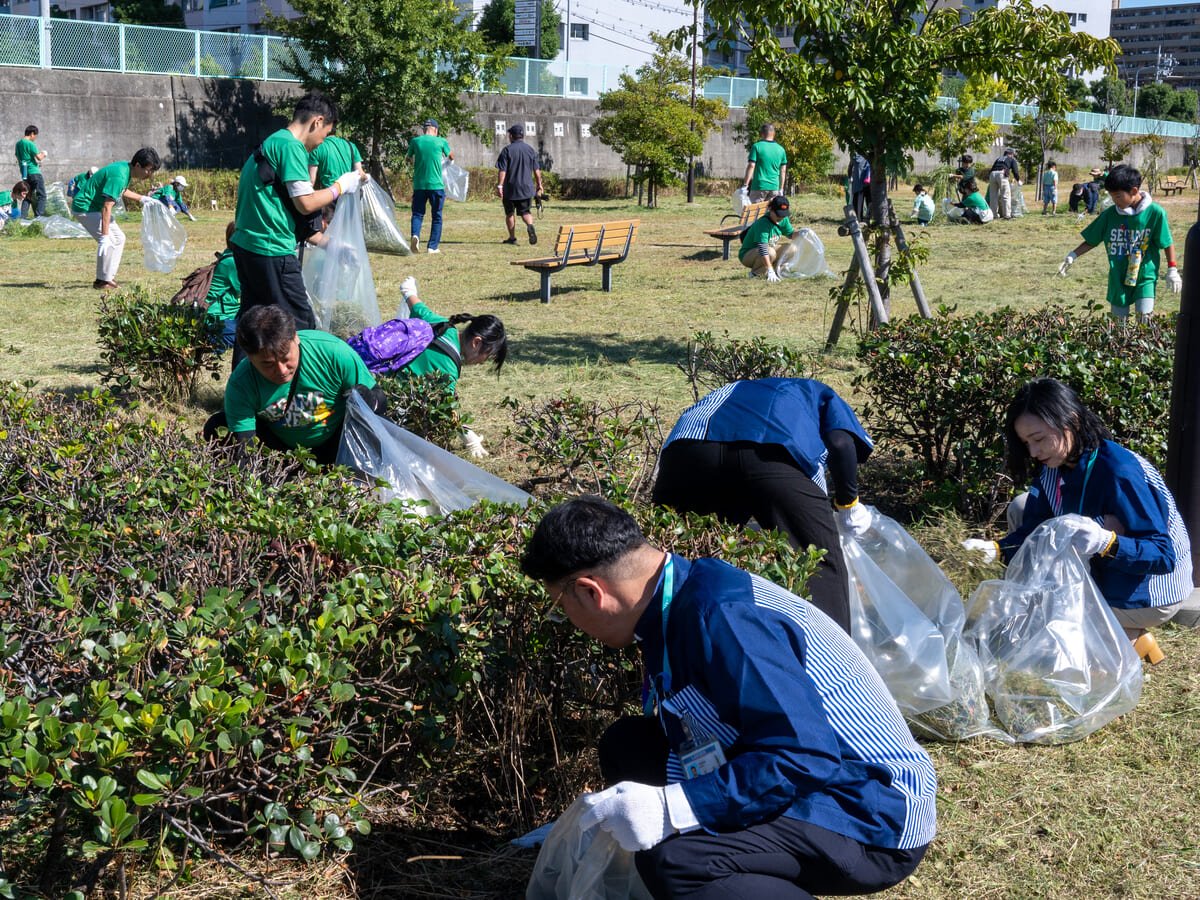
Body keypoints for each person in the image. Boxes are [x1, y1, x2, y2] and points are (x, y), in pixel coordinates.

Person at [520, 496, 936, 899]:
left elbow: (805, 757)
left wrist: (673, 808)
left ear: (591, 592)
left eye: (561, 606)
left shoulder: (724, 616)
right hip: (816, 778)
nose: (568, 621)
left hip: (867, 811)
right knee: (627, 747)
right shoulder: (675, 597)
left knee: (678, 861)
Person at [962, 378, 1192, 658]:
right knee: (1022, 508)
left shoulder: (1119, 472)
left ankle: (1123, 637)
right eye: (1026, 443)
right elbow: (1034, 528)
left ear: (1071, 421)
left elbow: (1162, 555)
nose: (1034, 452)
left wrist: (1107, 542)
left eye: (1038, 439)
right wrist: (996, 549)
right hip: (1107, 572)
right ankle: (1111, 631)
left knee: (1045, 613)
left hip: (1149, 593)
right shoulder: (1056, 464)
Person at [651, 377, 875, 633]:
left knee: (676, 557)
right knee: (816, 564)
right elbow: (840, 443)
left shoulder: (732, 390)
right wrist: (849, 505)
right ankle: (834, 660)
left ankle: (661, 651)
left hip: (688, 450)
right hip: (772, 448)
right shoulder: (820, 394)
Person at [230, 92, 362, 343]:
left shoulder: (273, 142)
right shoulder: (291, 147)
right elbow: (306, 203)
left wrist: (332, 245)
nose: (321, 143)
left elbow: (282, 207)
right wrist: (340, 186)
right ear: (317, 122)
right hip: (272, 251)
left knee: (253, 325)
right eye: (325, 135)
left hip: (248, 247)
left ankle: (243, 381)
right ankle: (302, 381)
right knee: (299, 324)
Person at [203, 304, 386, 466]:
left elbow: (380, 400)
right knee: (218, 426)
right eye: (267, 364)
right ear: (249, 357)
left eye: (285, 358)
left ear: (295, 338)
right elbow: (245, 446)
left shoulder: (333, 353)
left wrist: (369, 399)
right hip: (283, 452)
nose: (281, 370)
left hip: (337, 444)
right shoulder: (241, 384)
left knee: (384, 429)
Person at [347, 275, 507, 457]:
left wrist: (409, 290)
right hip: (378, 397)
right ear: (476, 343)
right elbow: (447, 409)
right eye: (488, 355)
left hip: (360, 363)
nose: (482, 362)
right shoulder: (447, 367)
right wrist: (469, 439)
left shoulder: (443, 325)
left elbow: (417, 307)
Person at [1056, 164, 1180, 322]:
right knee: (1118, 326)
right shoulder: (1109, 215)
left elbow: (1167, 242)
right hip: (1118, 277)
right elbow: (1092, 239)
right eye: (1112, 196)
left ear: (1134, 191)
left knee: (1145, 320)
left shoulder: (1155, 213)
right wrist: (1072, 255)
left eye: (1118, 196)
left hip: (1145, 276)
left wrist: (1172, 269)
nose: (1115, 201)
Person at [70, 147, 160, 290]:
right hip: (85, 208)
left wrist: (142, 198)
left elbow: (121, 190)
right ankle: (102, 280)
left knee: (119, 238)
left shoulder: (126, 168)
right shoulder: (120, 175)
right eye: (149, 170)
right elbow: (107, 207)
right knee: (109, 241)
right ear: (138, 165)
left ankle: (107, 277)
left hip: (94, 207)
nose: (149, 175)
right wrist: (104, 236)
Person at [406, 118, 452, 254]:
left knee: (417, 214)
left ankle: (415, 235)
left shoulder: (415, 141)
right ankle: (432, 247)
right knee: (437, 216)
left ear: (424, 129)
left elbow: (408, 158)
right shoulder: (441, 141)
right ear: (436, 130)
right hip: (436, 185)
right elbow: (451, 156)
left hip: (419, 185)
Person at [496, 123, 544, 246]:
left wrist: (500, 185)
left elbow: (503, 170)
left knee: (510, 213)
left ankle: (512, 238)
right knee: (525, 212)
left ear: (511, 136)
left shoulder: (507, 150)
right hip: (527, 188)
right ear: (522, 136)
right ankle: (530, 225)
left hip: (511, 188)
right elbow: (537, 171)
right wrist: (539, 185)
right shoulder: (530, 150)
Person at [738, 194, 794, 281]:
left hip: (767, 251)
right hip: (748, 255)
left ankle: (777, 271)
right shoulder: (763, 223)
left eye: (783, 215)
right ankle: (755, 273)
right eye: (778, 214)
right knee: (770, 252)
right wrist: (769, 269)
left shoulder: (783, 219)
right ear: (771, 210)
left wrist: (803, 233)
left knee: (792, 248)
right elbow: (763, 248)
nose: (781, 218)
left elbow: (791, 234)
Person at [206, 222, 241, 352]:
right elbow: (248, 290)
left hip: (229, 314)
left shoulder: (230, 255)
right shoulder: (232, 262)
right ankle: (211, 340)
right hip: (217, 318)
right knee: (245, 337)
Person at [742, 122, 788, 202]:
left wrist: (745, 185)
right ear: (774, 134)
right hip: (774, 187)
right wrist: (781, 188)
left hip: (759, 187)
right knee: (770, 213)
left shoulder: (757, 146)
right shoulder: (781, 149)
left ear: (762, 134)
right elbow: (783, 170)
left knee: (754, 213)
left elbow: (751, 166)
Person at [15, 125, 46, 218]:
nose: (35, 138)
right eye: (35, 136)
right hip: (34, 172)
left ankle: (23, 218)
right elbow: (39, 158)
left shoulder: (18, 144)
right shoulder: (30, 143)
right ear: (32, 134)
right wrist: (44, 153)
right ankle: (39, 218)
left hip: (25, 173)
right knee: (42, 195)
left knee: (27, 196)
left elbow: (18, 157)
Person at [987, 148, 1021, 219]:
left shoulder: (998, 158)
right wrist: (1018, 180)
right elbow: (1015, 171)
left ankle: (994, 215)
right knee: (1005, 195)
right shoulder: (1011, 159)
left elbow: (992, 169)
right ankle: (1007, 215)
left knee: (993, 196)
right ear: (1011, 154)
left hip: (992, 174)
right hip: (1001, 174)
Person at [848, 152, 871, 222]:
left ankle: (861, 220)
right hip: (865, 184)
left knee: (862, 205)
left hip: (860, 184)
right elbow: (850, 168)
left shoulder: (855, 156)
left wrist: (850, 177)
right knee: (867, 204)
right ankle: (865, 220)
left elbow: (849, 168)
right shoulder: (871, 155)